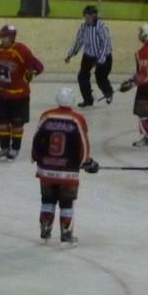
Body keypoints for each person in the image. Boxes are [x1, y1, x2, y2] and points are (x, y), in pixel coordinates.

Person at [31, 87, 99, 245]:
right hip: (68, 172)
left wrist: (36, 158)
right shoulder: (77, 119)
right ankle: (66, 234)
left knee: (47, 200)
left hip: (46, 169)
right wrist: (87, 162)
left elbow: (36, 140)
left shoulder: (47, 116)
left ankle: (45, 228)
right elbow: (83, 144)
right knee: (66, 202)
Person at [0, 25, 44, 161]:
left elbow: (38, 66)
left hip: (19, 95)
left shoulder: (22, 50)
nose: (2, 39)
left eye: (5, 37)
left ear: (12, 37)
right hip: (2, 94)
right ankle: (4, 148)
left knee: (17, 124)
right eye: (1, 36)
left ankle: (15, 149)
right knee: (2, 122)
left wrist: (32, 72)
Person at [65, 5, 114, 107]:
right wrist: (70, 54)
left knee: (100, 77)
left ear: (94, 16)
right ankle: (88, 100)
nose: (86, 19)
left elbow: (105, 44)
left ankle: (108, 92)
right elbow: (78, 42)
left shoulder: (102, 27)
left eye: (88, 17)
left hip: (104, 55)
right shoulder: (83, 27)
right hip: (89, 56)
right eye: (85, 17)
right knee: (82, 77)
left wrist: (100, 60)